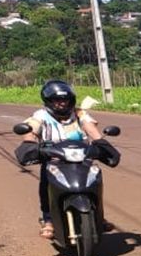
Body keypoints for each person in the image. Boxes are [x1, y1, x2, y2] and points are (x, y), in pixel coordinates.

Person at [16, 80, 111, 238]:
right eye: (57, 100)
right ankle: (48, 219)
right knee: (46, 184)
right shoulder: (41, 115)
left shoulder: (79, 113)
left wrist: (101, 143)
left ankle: (99, 215)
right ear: (49, 101)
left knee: (94, 180)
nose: (62, 103)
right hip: (53, 159)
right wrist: (30, 143)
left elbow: (91, 128)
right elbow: (32, 129)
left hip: (81, 158)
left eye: (65, 100)